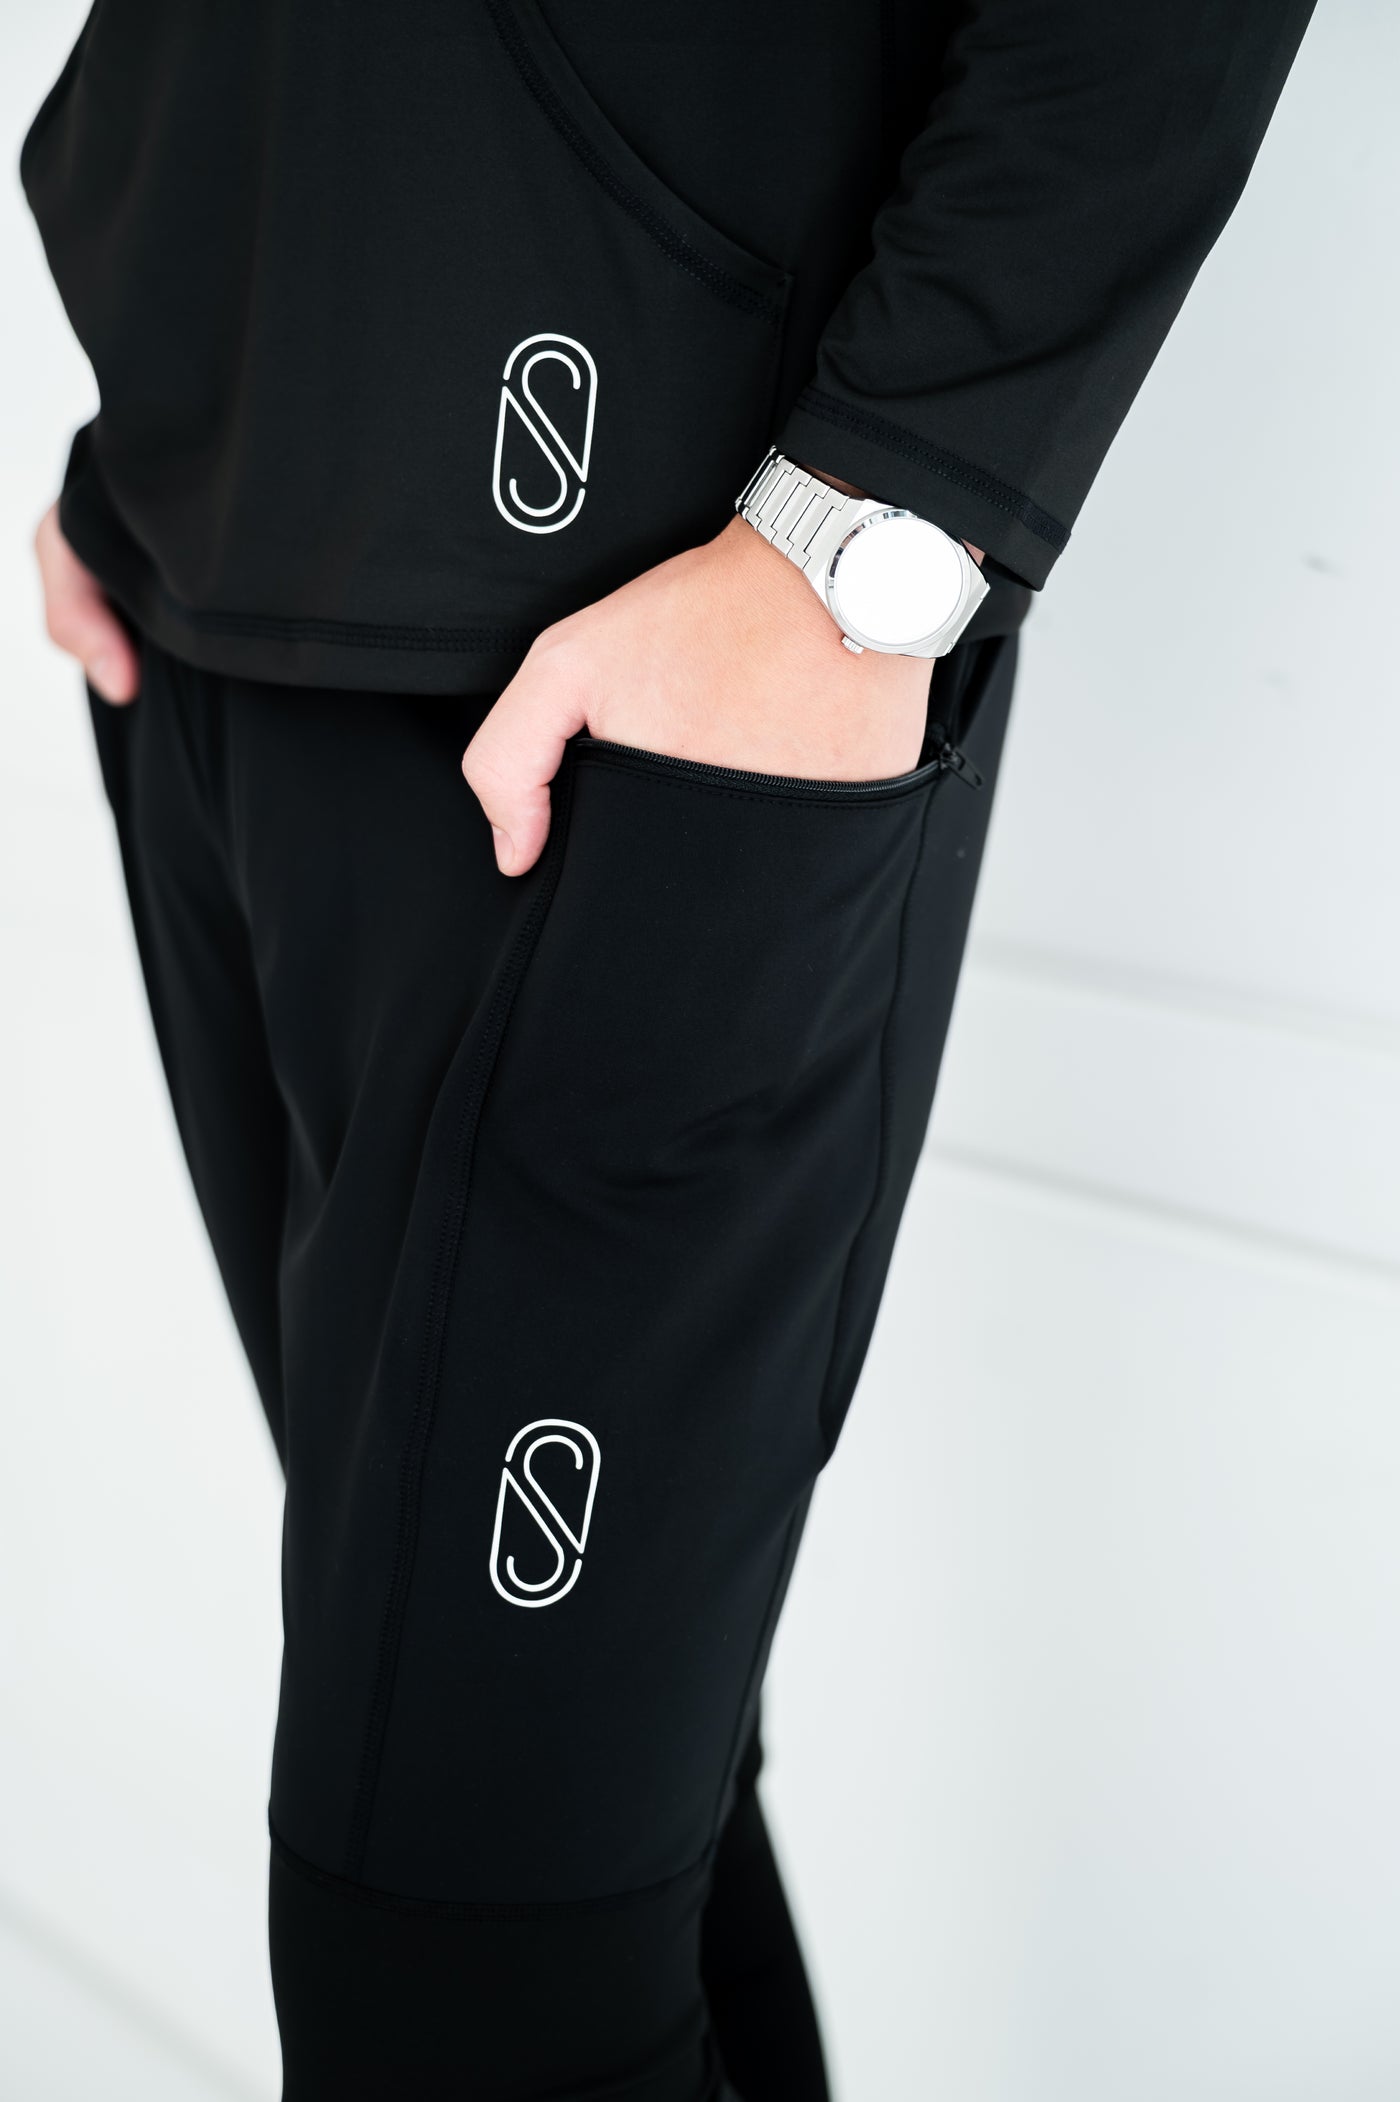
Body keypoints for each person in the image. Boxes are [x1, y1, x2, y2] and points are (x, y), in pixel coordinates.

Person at [23, 3, 1316, 2095]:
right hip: (208, 558)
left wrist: (882, 511)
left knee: (454, 1980)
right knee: (600, 1867)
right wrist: (166, 349)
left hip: (635, 650)